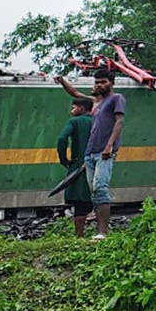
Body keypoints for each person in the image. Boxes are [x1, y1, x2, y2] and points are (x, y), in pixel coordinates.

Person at [56, 71, 125, 239]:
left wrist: (109, 146)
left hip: (104, 152)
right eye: (97, 82)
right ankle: (98, 231)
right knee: (93, 191)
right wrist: (61, 81)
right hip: (90, 154)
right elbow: (76, 94)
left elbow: (120, 122)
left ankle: (103, 232)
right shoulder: (97, 102)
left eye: (103, 82)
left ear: (111, 83)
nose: (99, 85)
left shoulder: (117, 99)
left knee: (100, 188)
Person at [56, 97, 94, 237]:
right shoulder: (97, 121)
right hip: (96, 165)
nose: (71, 111)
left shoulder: (74, 122)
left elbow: (62, 139)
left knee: (79, 203)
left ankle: (79, 235)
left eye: (73, 108)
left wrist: (64, 159)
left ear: (81, 109)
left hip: (78, 165)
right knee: (92, 199)